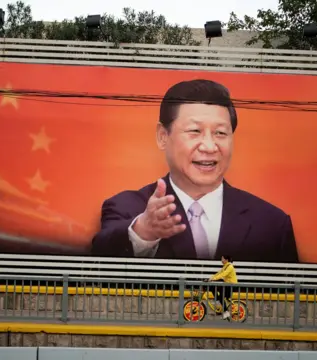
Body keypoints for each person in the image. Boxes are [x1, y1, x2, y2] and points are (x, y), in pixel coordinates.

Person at [91, 79, 299, 263]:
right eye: (195, 131)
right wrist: (144, 231)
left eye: (220, 133)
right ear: (163, 136)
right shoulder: (126, 207)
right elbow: (99, 262)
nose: (209, 146)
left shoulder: (271, 222)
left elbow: (294, 301)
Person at [206, 255, 237, 319]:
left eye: (222, 259)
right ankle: (218, 301)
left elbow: (223, 274)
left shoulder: (230, 267)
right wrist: (211, 278)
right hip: (227, 285)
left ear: (226, 260)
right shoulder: (225, 266)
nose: (221, 260)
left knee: (221, 296)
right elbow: (219, 273)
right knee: (212, 287)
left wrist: (213, 279)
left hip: (231, 286)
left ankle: (226, 312)